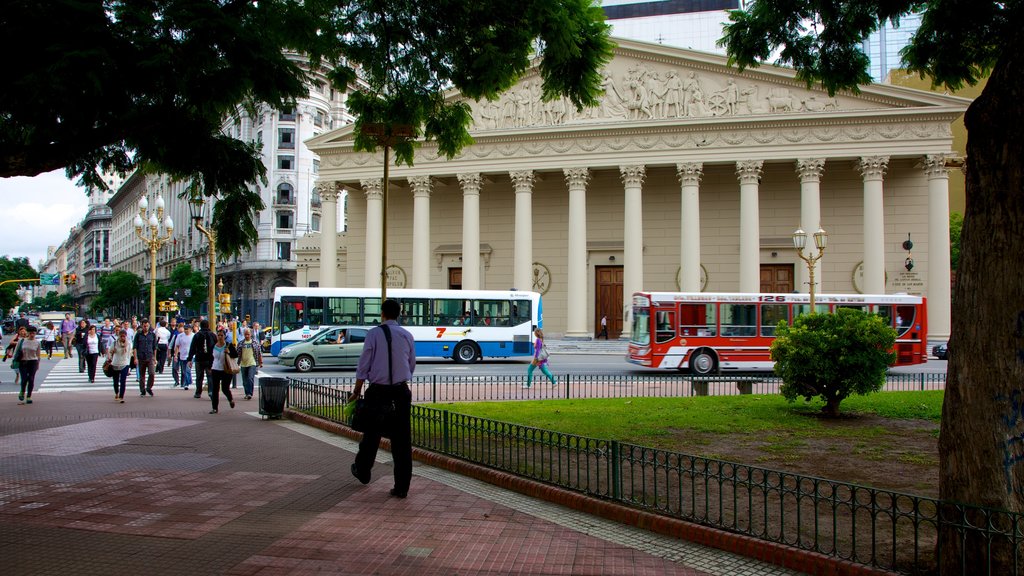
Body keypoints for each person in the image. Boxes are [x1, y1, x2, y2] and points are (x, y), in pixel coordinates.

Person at [348, 298, 416, 498]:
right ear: (399, 314)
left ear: (382, 313)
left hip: (378, 391)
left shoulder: (374, 334)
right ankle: (402, 487)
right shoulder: (407, 335)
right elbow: (411, 364)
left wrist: (356, 390)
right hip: (401, 392)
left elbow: (364, 365)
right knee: (402, 441)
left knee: (371, 434)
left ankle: (363, 470)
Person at [207, 328, 237, 414]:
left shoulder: (228, 345)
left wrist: (229, 352)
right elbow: (210, 357)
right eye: (218, 335)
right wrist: (209, 367)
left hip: (226, 370)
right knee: (215, 389)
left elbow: (235, 355)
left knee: (225, 388)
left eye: (222, 335)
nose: (220, 337)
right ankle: (214, 408)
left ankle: (230, 399)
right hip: (215, 369)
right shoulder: (213, 346)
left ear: (225, 336)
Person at [187, 319, 217, 399]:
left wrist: (189, 359)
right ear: (208, 325)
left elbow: (192, 347)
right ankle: (210, 391)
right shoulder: (213, 335)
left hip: (199, 358)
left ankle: (198, 392)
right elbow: (216, 347)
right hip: (210, 359)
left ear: (200, 326)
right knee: (210, 376)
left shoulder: (197, 335)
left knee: (199, 377)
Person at [16, 326, 41, 404]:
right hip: (23, 362)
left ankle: (29, 396)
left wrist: (38, 364)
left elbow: (38, 355)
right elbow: (16, 352)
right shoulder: (22, 341)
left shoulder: (37, 342)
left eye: (33, 333)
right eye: (30, 333)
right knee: (24, 378)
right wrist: (13, 361)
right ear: (27, 333)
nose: (32, 335)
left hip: (33, 362)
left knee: (31, 379)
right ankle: (22, 391)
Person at [133, 319, 157, 397]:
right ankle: (142, 390)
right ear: (142, 326)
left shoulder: (152, 335)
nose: (146, 327)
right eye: (144, 326)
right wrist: (135, 358)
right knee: (142, 375)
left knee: (152, 373)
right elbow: (135, 347)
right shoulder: (138, 335)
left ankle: (149, 387)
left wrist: (155, 358)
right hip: (141, 357)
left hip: (150, 357)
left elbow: (154, 347)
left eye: (147, 326)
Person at [107, 329, 132, 403]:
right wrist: (111, 354)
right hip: (115, 363)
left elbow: (129, 355)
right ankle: (116, 393)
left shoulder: (129, 344)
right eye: (121, 336)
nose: (123, 338)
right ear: (119, 336)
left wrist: (129, 366)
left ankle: (121, 396)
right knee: (115, 381)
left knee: (123, 381)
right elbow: (110, 352)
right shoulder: (114, 343)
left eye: (124, 336)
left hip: (125, 364)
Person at [237, 328, 262, 400]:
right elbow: (238, 353)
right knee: (244, 380)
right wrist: (237, 363)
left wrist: (260, 362)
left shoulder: (254, 343)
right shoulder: (241, 343)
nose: (247, 336)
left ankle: (250, 393)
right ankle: (246, 393)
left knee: (250, 378)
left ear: (250, 334)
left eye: (248, 334)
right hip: (243, 364)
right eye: (245, 334)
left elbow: (259, 353)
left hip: (252, 363)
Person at [174, 323, 194, 390]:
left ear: (190, 329)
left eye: (187, 329)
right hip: (182, 355)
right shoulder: (180, 336)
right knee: (184, 371)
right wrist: (176, 355)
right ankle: (188, 381)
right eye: (185, 329)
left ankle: (186, 383)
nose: (186, 331)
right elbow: (177, 346)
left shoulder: (194, 336)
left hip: (191, 356)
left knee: (188, 370)